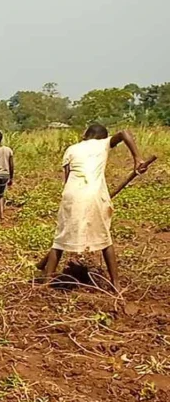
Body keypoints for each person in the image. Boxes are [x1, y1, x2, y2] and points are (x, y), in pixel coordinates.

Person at [40, 124, 147, 291]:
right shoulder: (102, 144)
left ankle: (46, 283)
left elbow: (67, 178)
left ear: (85, 134)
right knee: (105, 238)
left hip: (71, 194)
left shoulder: (71, 149)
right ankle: (116, 284)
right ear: (103, 137)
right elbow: (125, 132)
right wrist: (138, 159)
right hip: (93, 195)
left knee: (60, 239)